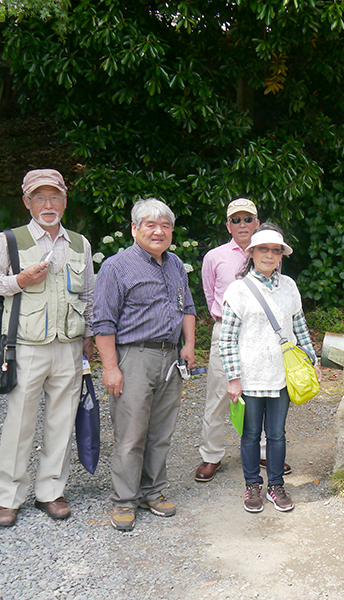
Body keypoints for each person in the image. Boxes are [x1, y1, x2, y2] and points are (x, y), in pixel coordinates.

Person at [0, 168, 95, 528]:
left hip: (69, 347)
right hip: (25, 346)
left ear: (64, 201)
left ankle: (51, 492)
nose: (48, 204)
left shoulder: (79, 243)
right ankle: (8, 498)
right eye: (40, 197)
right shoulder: (9, 240)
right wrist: (19, 280)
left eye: (54, 196)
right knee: (20, 423)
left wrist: (88, 337)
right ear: (27, 202)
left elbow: (88, 294)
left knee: (61, 421)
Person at [93, 198, 196, 532]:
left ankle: (152, 491)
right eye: (150, 224)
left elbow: (189, 308)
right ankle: (124, 500)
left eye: (165, 225)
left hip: (171, 355)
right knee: (130, 433)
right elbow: (103, 322)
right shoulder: (116, 266)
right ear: (134, 228)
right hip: (133, 357)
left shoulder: (175, 264)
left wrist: (190, 345)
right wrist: (110, 367)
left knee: (161, 431)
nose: (159, 231)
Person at [219, 224, 320, 513]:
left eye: (275, 250)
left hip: (281, 375)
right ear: (251, 253)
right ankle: (253, 485)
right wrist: (233, 378)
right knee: (250, 435)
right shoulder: (238, 290)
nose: (269, 255)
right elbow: (227, 339)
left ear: (281, 256)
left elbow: (299, 326)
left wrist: (313, 361)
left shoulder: (288, 286)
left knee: (277, 434)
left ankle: (276, 485)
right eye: (263, 249)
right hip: (249, 377)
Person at [195, 199, 291, 482]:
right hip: (226, 331)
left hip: (261, 335)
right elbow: (210, 294)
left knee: (263, 392)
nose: (242, 225)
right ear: (228, 225)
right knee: (219, 394)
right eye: (235, 220)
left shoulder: (268, 250)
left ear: (257, 222)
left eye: (248, 219)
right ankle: (211, 455)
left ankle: (263, 450)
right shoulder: (215, 256)